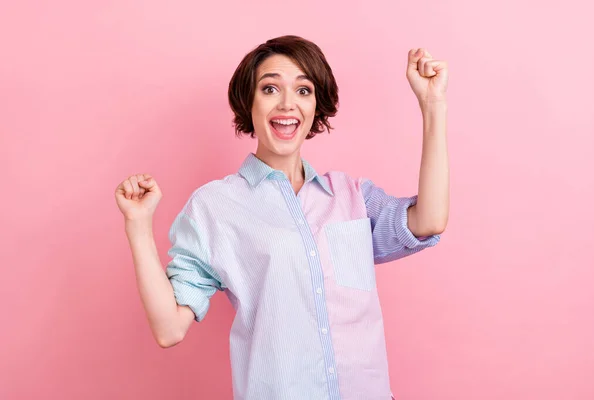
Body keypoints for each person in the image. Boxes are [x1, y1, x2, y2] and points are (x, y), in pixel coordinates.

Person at [115, 35, 449, 400]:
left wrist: (432, 105)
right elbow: (169, 329)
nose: (288, 103)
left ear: (316, 107)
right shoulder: (215, 206)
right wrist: (138, 225)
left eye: (303, 90)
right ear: (250, 103)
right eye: (270, 88)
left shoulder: (351, 197)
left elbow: (428, 221)